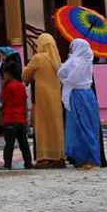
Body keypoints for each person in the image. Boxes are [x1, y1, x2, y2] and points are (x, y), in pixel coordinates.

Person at [59, 39, 103, 170]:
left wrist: (64, 76)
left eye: (72, 47)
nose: (71, 49)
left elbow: (71, 78)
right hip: (85, 95)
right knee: (81, 126)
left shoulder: (78, 62)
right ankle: (83, 158)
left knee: (83, 126)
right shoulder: (83, 61)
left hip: (79, 96)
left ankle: (89, 158)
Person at [23, 34, 65, 168]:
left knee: (42, 125)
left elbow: (25, 74)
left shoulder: (38, 58)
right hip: (56, 99)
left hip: (41, 98)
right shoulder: (57, 60)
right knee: (56, 125)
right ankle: (59, 157)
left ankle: (44, 157)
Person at [0, 59, 33, 170]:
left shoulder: (8, 87)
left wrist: (3, 86)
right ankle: (28, 163)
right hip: (20, 119)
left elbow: (3, 100)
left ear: (7, 74)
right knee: (24, 143)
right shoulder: (20, 85)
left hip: (10, 118)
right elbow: (24, 102)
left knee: (9, 144)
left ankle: (7, 164)